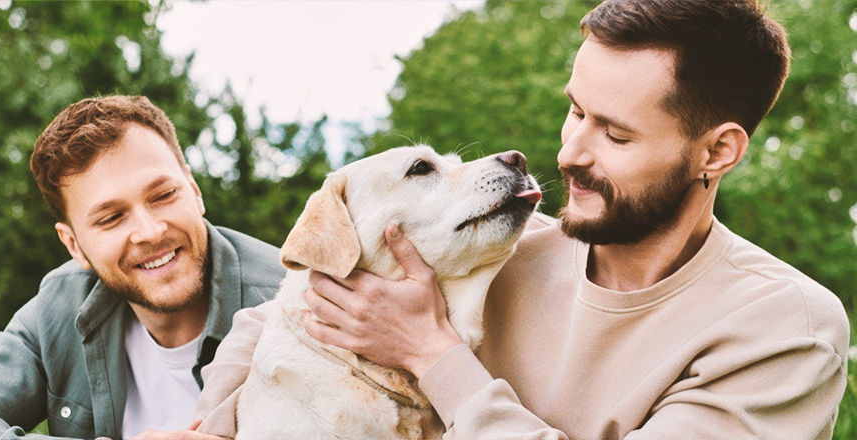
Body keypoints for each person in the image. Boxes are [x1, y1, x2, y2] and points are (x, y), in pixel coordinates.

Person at [196, 0, 850, 438]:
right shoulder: (501, 241)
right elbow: (289, 307)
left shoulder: (784, 328)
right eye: (576, 111)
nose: (570, 152)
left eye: (616, 137)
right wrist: (208, 426)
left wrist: (434, 355)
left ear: (718, 151)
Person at [0, 96, 283, 440]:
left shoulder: (293, 302)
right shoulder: (60, 306)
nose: (150, 232)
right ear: (73, 245)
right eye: (112, 218)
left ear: (194, 190)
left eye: (164, 195)